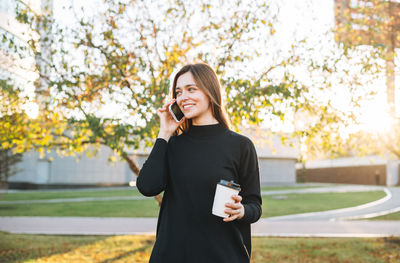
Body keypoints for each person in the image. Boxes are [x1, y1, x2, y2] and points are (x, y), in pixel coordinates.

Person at [136, 62, 262, 263]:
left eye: (191, 89)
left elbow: (254, 205)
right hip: (173, 255)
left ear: (210, 91)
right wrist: (164, 133)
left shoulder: (241, 146)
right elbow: (147, 186)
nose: (183, 97)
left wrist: (242, 211)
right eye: (178, 92)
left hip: (223, 255)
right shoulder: (172, 144)